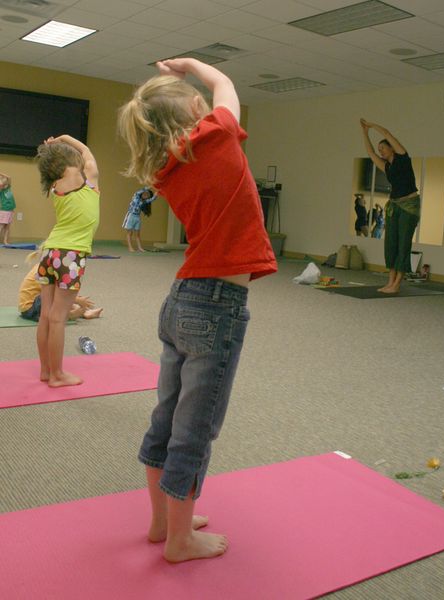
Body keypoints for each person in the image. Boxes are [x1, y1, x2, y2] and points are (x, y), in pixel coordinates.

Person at [118, 58, 277, 563]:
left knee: (166, 417)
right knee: (195, 430)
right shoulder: (218, 136)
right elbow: (227, 84)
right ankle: (181, 541)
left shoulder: (164, 168)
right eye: (202, 105)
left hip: (180, 301)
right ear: (194, 111)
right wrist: (193, 66)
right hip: (216, 305)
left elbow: (216, 96)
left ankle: (163, 522)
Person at [35, 135, 100, 387]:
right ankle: (57, 375)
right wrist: (63, 139)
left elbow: (79, 157)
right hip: (70, 255)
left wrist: (52, 148)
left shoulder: (54, 188)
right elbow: (86, 150)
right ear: (73, 164)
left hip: (49, 251)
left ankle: (44, 370)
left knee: (46, 316)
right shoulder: (90, 182)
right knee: (59, 317)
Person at [360, 119, 420, 293]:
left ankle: (397, 284)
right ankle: (390, 281)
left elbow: (387, 134)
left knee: (403, 244)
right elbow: (370, 153)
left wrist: (371, 125)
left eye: (383, 148)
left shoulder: (403, 157)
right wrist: (364, 133)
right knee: (391, 243)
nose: (381, 152)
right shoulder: (387, 167)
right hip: (394, 205)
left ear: (392, 148)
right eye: (380, 150)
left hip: (409, 206)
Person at [18, 264, 103, 322]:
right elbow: (53, 293)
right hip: (30, 309)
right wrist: (76, 300)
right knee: (59, 299)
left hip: (34, 305)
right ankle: (71, 315)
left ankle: (85, 312)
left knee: (65, 298)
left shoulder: (46, 267)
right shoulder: (42, 271)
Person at [122, 187, 157, 252]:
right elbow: (141, 190)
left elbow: (152, 199)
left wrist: (157, 192)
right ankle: (130, 248)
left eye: (147, 195)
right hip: (131, 215)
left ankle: (140, 247)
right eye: (145, 193)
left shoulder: (144, 201)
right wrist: (150, 186)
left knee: (137, 234)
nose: (145, 195)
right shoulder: (136, 196)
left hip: (137, 217)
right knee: (130, 233)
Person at [0, 172, 16, 245]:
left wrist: (1, 174)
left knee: (7, 227)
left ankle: (5, 241)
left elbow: (9, 177)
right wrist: (1, 181)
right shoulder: (1, 191)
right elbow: (2, 184)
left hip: (10, 210)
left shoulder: (8, 188)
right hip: (5, 210)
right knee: (2, 225)